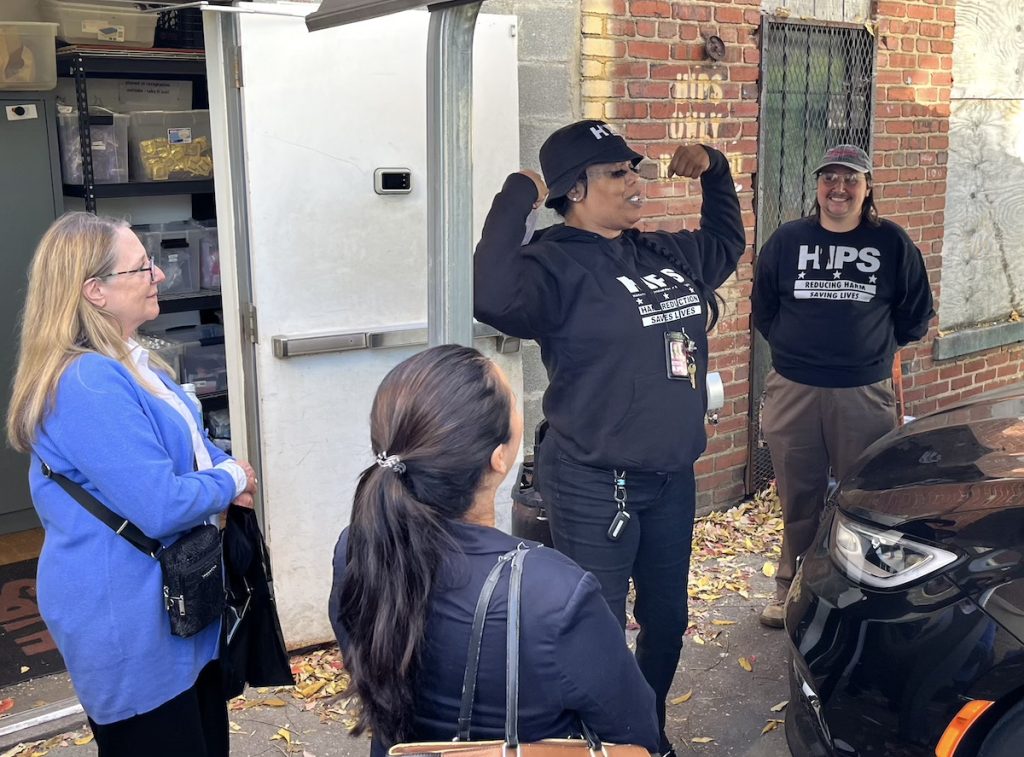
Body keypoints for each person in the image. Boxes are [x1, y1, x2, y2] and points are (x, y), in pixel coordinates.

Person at [473, 119, 746, 756]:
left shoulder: (656, 251)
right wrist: (518, 193)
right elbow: (490, 294)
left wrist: (717, 169)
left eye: (635, 168)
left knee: (667, 619)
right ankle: (596, 740)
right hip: (597, 482)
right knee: (593, 625)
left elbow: (725, 244)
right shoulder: (552, 264)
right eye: (617, 172)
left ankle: (642, 733)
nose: (634, 181)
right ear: (573, 190)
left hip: (671, 478)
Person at [6, 212, 258, 756]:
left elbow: (195, 441)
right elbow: (163, 504)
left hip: (173, 600)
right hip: (127, 617)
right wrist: (232, 477)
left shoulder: (134, 361)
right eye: (142, 267)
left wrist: (218, 469)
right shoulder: (86, 382)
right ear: (95, 291)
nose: (159, 275)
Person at [328, 345, 659, 757]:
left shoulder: (356, 549)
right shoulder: (555, 594)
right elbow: (636, 731)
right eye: (514, 402)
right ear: (499, 457)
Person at [751, 144, 934, 628]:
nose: (839, 188)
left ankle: (862, 590)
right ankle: (789, 586)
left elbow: (915, 314)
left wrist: (870, 352)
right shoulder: (788, 240)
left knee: (864, 494)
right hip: (795, 389)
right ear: (817, 187)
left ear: (867, 188)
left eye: (851, 179)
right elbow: (764, 307)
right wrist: (797, 352)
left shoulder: (892, 243)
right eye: (830, 178)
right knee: (798, 494)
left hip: (863, 392)